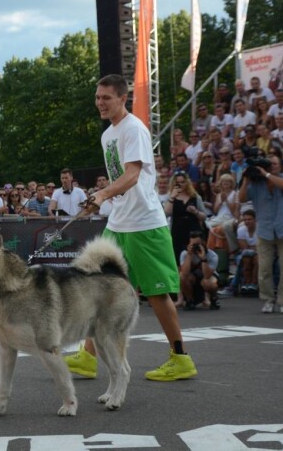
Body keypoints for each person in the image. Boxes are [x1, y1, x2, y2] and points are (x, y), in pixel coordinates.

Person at [64, 74, 197, 382]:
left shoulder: (134, 128)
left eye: (106, 97)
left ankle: (180, 358)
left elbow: (133, 175)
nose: (100, 102)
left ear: (123, 98)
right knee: (99, 288)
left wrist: (103, 194)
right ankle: (87, 357)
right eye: (97, 97)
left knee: (156, 294)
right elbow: (120, 179)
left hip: (144, 225)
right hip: (120, 222)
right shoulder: (107, 134)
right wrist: (103, 198)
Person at [238, 155, 283, 314]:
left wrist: (267, 174)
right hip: (264, 229)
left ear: (280, 165)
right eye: (269, 164)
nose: (272, 166)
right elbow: (241, 198)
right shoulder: (256, 183)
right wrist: (246, 179)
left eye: (275, 164)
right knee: (264, 267)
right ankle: (268, 299)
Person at [178, 231, 220, 310]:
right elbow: (185, 273)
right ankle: (189, 301)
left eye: (197, 245)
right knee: (182, 276)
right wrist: (189, 255)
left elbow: (207, 275)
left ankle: (213, 299)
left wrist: (203, 259)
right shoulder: (184, 254)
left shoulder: (212, 255)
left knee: (209, 283)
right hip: (193, 278)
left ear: (204, 243)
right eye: (193, 245)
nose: (195, 247)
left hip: (207, 277)